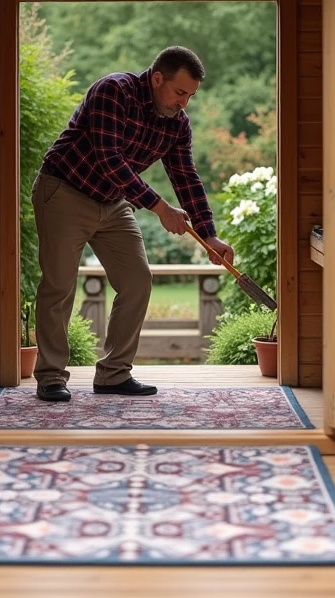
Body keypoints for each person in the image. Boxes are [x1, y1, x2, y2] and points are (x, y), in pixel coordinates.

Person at [29, 46, 235, 402]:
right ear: (157, 79)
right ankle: (50, 377)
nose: (184, 103)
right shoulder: (113, 91)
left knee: (138, 279)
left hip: (112, 202)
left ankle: (113, 374)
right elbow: (109, 158)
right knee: (59, 286)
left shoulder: (176, 124)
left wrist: (210, 235)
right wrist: (159, 207)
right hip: (64, 192)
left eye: (191, 96)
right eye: (180, 92)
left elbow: (187, 177)